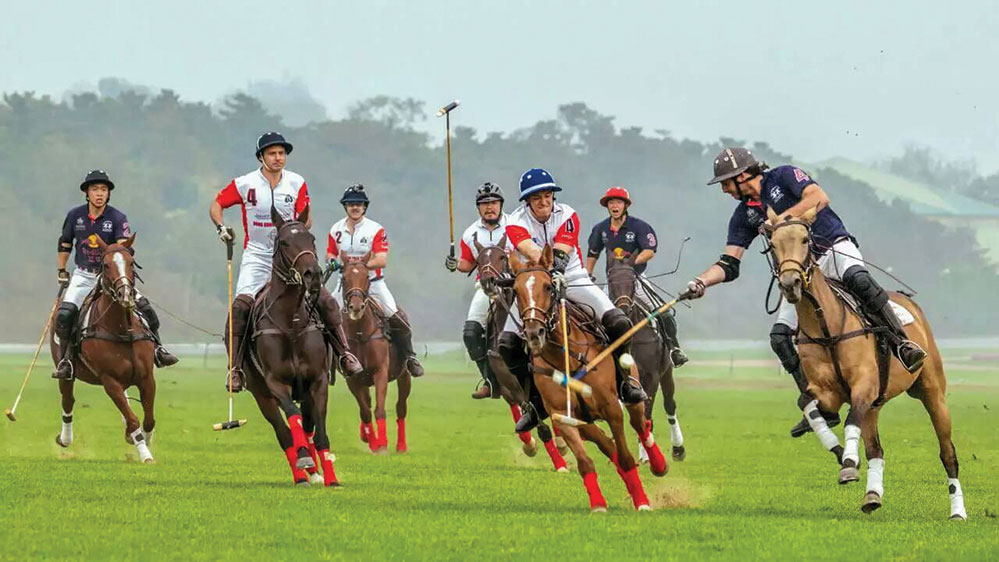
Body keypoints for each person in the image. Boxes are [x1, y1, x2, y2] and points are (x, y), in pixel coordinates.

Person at [685, 147, 927, 437]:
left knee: (859, 281)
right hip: (801, 272)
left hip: (833, 248)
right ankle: (817, 402)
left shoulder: (783, 176)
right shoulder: (743, 215)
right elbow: (730, 263)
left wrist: (779, 220)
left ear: (742, 175)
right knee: (779, 338)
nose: (724, 190)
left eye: (725, 183)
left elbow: (818, 198)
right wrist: (701, 282)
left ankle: (903, 344)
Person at [209, 132, 361, 392]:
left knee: (324, 299)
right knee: (240, 307)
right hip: (257, 255)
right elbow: (217, 204)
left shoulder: (297, 182)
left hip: (290, 257)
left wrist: (295, 230)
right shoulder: (245, 183)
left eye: (281, 153)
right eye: (272, 154)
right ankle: (235, 369)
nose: (278, 158)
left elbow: (307, 218)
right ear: (261, 157)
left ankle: (345, 354)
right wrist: (221, 227)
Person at [499, 168, 647, 433]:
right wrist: (543, 270)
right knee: (507, 343)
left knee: (619, 322)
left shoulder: (567, 214)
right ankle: (533, 403)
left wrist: (553, 265)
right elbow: (528, 249)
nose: (544, 202)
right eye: (537, 198)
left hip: (573, 277)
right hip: (536, 282)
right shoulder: (514, 221)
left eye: (547, 196)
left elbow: (563, 249)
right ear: (527, 201)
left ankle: (627, 382)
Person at [54, 170, 179, 379]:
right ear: (87, 192)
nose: (99, 193)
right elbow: (65, 243)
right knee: (65, 314)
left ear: (108, 194)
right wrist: (61, 271)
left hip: (111, 276)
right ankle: (66, 360)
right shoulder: (75, 216)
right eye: (95, 189)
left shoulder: (117, 217)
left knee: (146, 309)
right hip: (84, 275)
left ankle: (158, 349)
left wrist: (120, 263)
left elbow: (124, 246)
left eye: (103, 189)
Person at [326, 184, 424, 377]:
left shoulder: (375, 229)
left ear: (364, 207)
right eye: (351, 204)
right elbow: (330, 253)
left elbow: (381, 259)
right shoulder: (336, 229)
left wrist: (357, 266)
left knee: (397, 317)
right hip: (345, 285)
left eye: (359, 204)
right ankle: (327, 364)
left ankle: (410, 357)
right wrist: (332, 262)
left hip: (374, 283)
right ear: (345, 206)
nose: (355, 207)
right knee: (325, 317)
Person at [585, 186, 688, 367]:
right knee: (594, 315)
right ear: (607, 206)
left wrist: (629, 265)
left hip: (637, 280)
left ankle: (674, 349)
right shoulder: (601, 229)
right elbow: (593, 253)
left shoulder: (639, 226)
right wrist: (588, 275)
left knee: (663, 313)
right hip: (612, 283)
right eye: (611, 202)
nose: (614, 205)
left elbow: (649, 251)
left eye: (618, 202)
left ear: (625, 205)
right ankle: (594, 353)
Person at [445, 182, 509, 399]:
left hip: (514, 285)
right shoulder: (470, 232)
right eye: (484, 204)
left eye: (493, 202)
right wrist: (454, 265)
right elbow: (467, 264)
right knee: (471, 333)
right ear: (478, 207)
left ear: (501, 204)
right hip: (486, 288)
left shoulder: (516, 224)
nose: (489, 207)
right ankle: (489, 380)